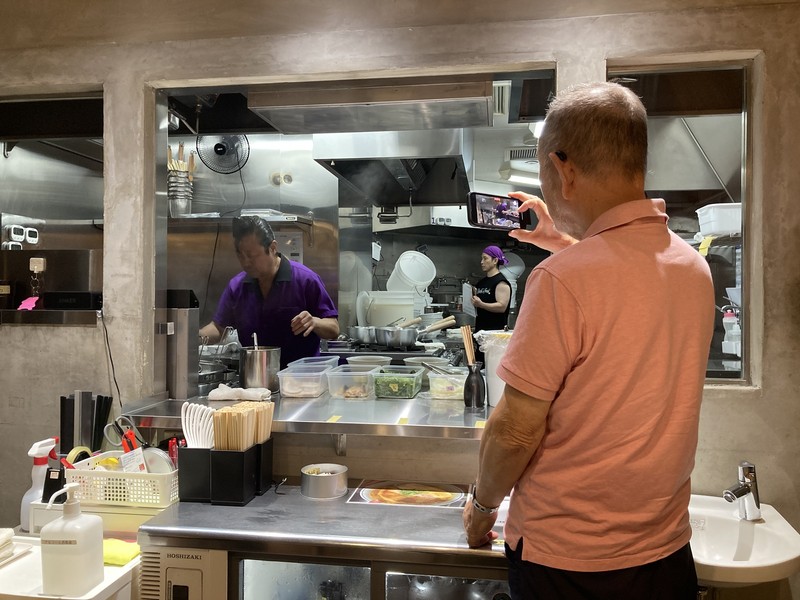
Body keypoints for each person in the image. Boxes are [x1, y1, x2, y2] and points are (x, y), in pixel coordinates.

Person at [462, 82, 716, 600]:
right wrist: (561, 240)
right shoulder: (692, 267)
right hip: (665, 555)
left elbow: (515, 431)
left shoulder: (562, 280)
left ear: (564, 170)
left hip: (569, 564)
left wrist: (482, 508)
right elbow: (624, 277)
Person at [199, 216, 339, 369]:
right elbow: (219, 328)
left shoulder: (305, 279)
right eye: (240, 255)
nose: (245, 262)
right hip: (255, 375)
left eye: (251, 255)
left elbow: (334, 329)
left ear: (272, 248)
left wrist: (314, 322)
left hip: (301, 377)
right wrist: (191, 338)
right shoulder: (237, 286)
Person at [470, 245, 512, 363]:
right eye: (481, 258)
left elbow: (502, 307)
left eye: (485, 258)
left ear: (495, 260)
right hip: (481, 333)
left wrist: (481, 304)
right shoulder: (481, 283)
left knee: (492, 366)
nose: (481, 262)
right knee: (480, 365)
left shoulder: (501, 282)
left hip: (495, 336)